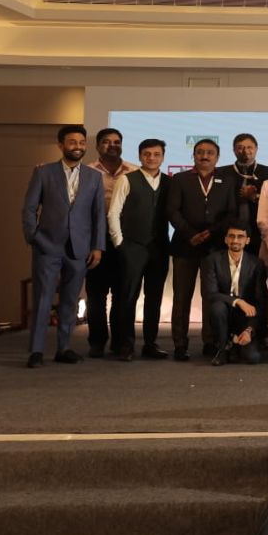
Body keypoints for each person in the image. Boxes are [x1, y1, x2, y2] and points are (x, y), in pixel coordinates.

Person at [22, 125, 106, 368]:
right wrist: (34, 236)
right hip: (47, 246)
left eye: (81, 142)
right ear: (61, 145)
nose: (77, 146)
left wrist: (97, 247)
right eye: (72, 142)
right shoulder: (43, 172)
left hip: (80, 249)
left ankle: (64, 348)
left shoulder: (94, 177)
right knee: (43, 299)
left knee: (70, 301)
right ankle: (36, 351)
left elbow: (98, 214)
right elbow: (29, 208)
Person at [167, 138, 236, 361]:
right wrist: (190, 234)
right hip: (185, 245)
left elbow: (231, 213)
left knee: (211, 296)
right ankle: (180, 344)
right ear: (193, 155)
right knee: (181, 297)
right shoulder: (180, 179)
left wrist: (211, 233)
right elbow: (172, 211)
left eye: (210, 152)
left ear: (217, 157)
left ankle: (210, 341)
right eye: (200, 152)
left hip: (214, 247)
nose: (204, 156)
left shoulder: (227, 181)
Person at [108, 138, 171, 361]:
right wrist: (120, 243)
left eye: (156, 154)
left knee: (154, 298)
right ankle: (125, 344)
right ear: (140, 156)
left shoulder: (169, 182)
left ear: (163, 157)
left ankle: (150, 344)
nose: (151, 158)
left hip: (159, 248)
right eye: (147, 154)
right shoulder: (127, 179)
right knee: (128, 296)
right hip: (132, 246)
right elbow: (113, 213)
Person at [84, 127, 137, 358]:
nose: (112, 145)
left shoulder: (134, 171)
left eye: (117, 142)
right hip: (95, 241)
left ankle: (120, 342)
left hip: (125, 241)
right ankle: (97, 342)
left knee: (122, 295)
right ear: (98, 146)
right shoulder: (86, 172)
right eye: (107, 142)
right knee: (96, 296)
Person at [202, 221, 267, 366]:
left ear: (247, 240)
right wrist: (238, 301)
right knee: (217, 307)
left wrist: (249, 330)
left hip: (245, 317)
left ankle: (235, 344)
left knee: (253, 358)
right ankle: (222, 349)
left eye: (240, 236)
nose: (235, 240)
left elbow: (260, 301)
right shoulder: (212, 260)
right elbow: (210, 294)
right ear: (226, 239)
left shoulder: (256, 264)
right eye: (231, 236)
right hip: (223, 313)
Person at [217, 133, 268, 258]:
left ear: (256, 149)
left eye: (249, 147)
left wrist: (255, 197)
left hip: (258, 232)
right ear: (234, 150)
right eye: (240, 147)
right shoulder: (222, 172)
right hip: (228, 233)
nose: (245, 151)